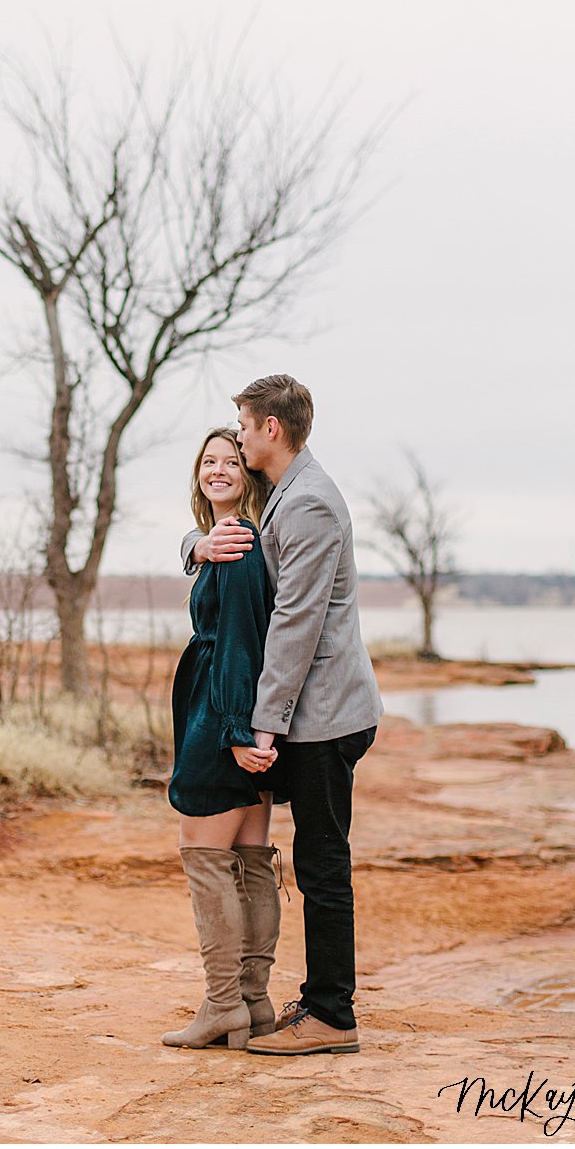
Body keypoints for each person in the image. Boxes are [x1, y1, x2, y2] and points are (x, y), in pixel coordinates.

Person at [182, 374, 382, 1057]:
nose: (237, 438)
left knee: (322, 863)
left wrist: (259, 725)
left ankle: (331, 1014)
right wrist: (193, 545)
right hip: (309, 709)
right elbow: (228, 537)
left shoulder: (309, 502)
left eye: (243, 425)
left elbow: (296, 620)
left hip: (325, 713)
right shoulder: (287, 495)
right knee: (302, 856)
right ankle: (290, 1002)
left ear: (271, 427)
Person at [161, 426, 285, 1051]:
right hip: (244, 713)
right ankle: (254, 1003)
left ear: (249, 472)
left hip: (222, 716)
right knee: (251, 858)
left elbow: (240, 644)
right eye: (208, 461)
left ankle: (222, 1005)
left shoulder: (235, 543)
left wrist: (235, 731)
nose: (217, 470)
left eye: (231, 461)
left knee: (205, 857)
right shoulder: (228, 539)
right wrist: (197, 546)